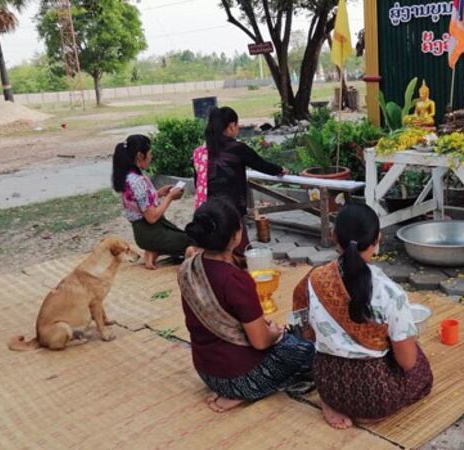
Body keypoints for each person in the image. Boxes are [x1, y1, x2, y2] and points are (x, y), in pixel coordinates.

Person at [292, 203, 433, 429]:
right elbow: (407, 363)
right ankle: (368, 415)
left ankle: (330, 404)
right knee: (419, 365)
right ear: (378, 239)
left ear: (333, 236)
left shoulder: (314, 279)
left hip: (328, 381)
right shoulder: (391, 293)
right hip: (375, 397)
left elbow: (304, 328)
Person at [179, 197, 314, 412]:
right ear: (235, 236)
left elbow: (228, 318)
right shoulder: (234, 280)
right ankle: (241, 394)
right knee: (306, 351)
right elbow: (260, 342)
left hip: (206, 371)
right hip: (238, 377)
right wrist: (275, 334)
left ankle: (234, 390)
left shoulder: (188, 267)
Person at [192, 106, 288, 256]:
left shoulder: (200, 153)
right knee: (239, 251)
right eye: (237, 125)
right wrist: (280, 169)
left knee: (214, 249)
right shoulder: (237, 148)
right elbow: (262, 165)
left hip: (209, 208)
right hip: (232, 210)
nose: (238, 129)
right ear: (231, 126)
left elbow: (197, 183)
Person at [112, 134, 193, 270]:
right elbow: (152, 217)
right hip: (151, 231)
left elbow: (139, 204)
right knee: (195, 242)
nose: (151, 157)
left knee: (184, 237)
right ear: (140, 155)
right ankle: (155, 248)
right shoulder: (138, 181)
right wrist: (169, 198)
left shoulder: (128, 176)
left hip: (143, 231)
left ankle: (154, 250)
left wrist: (159, 193)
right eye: (149, 153)